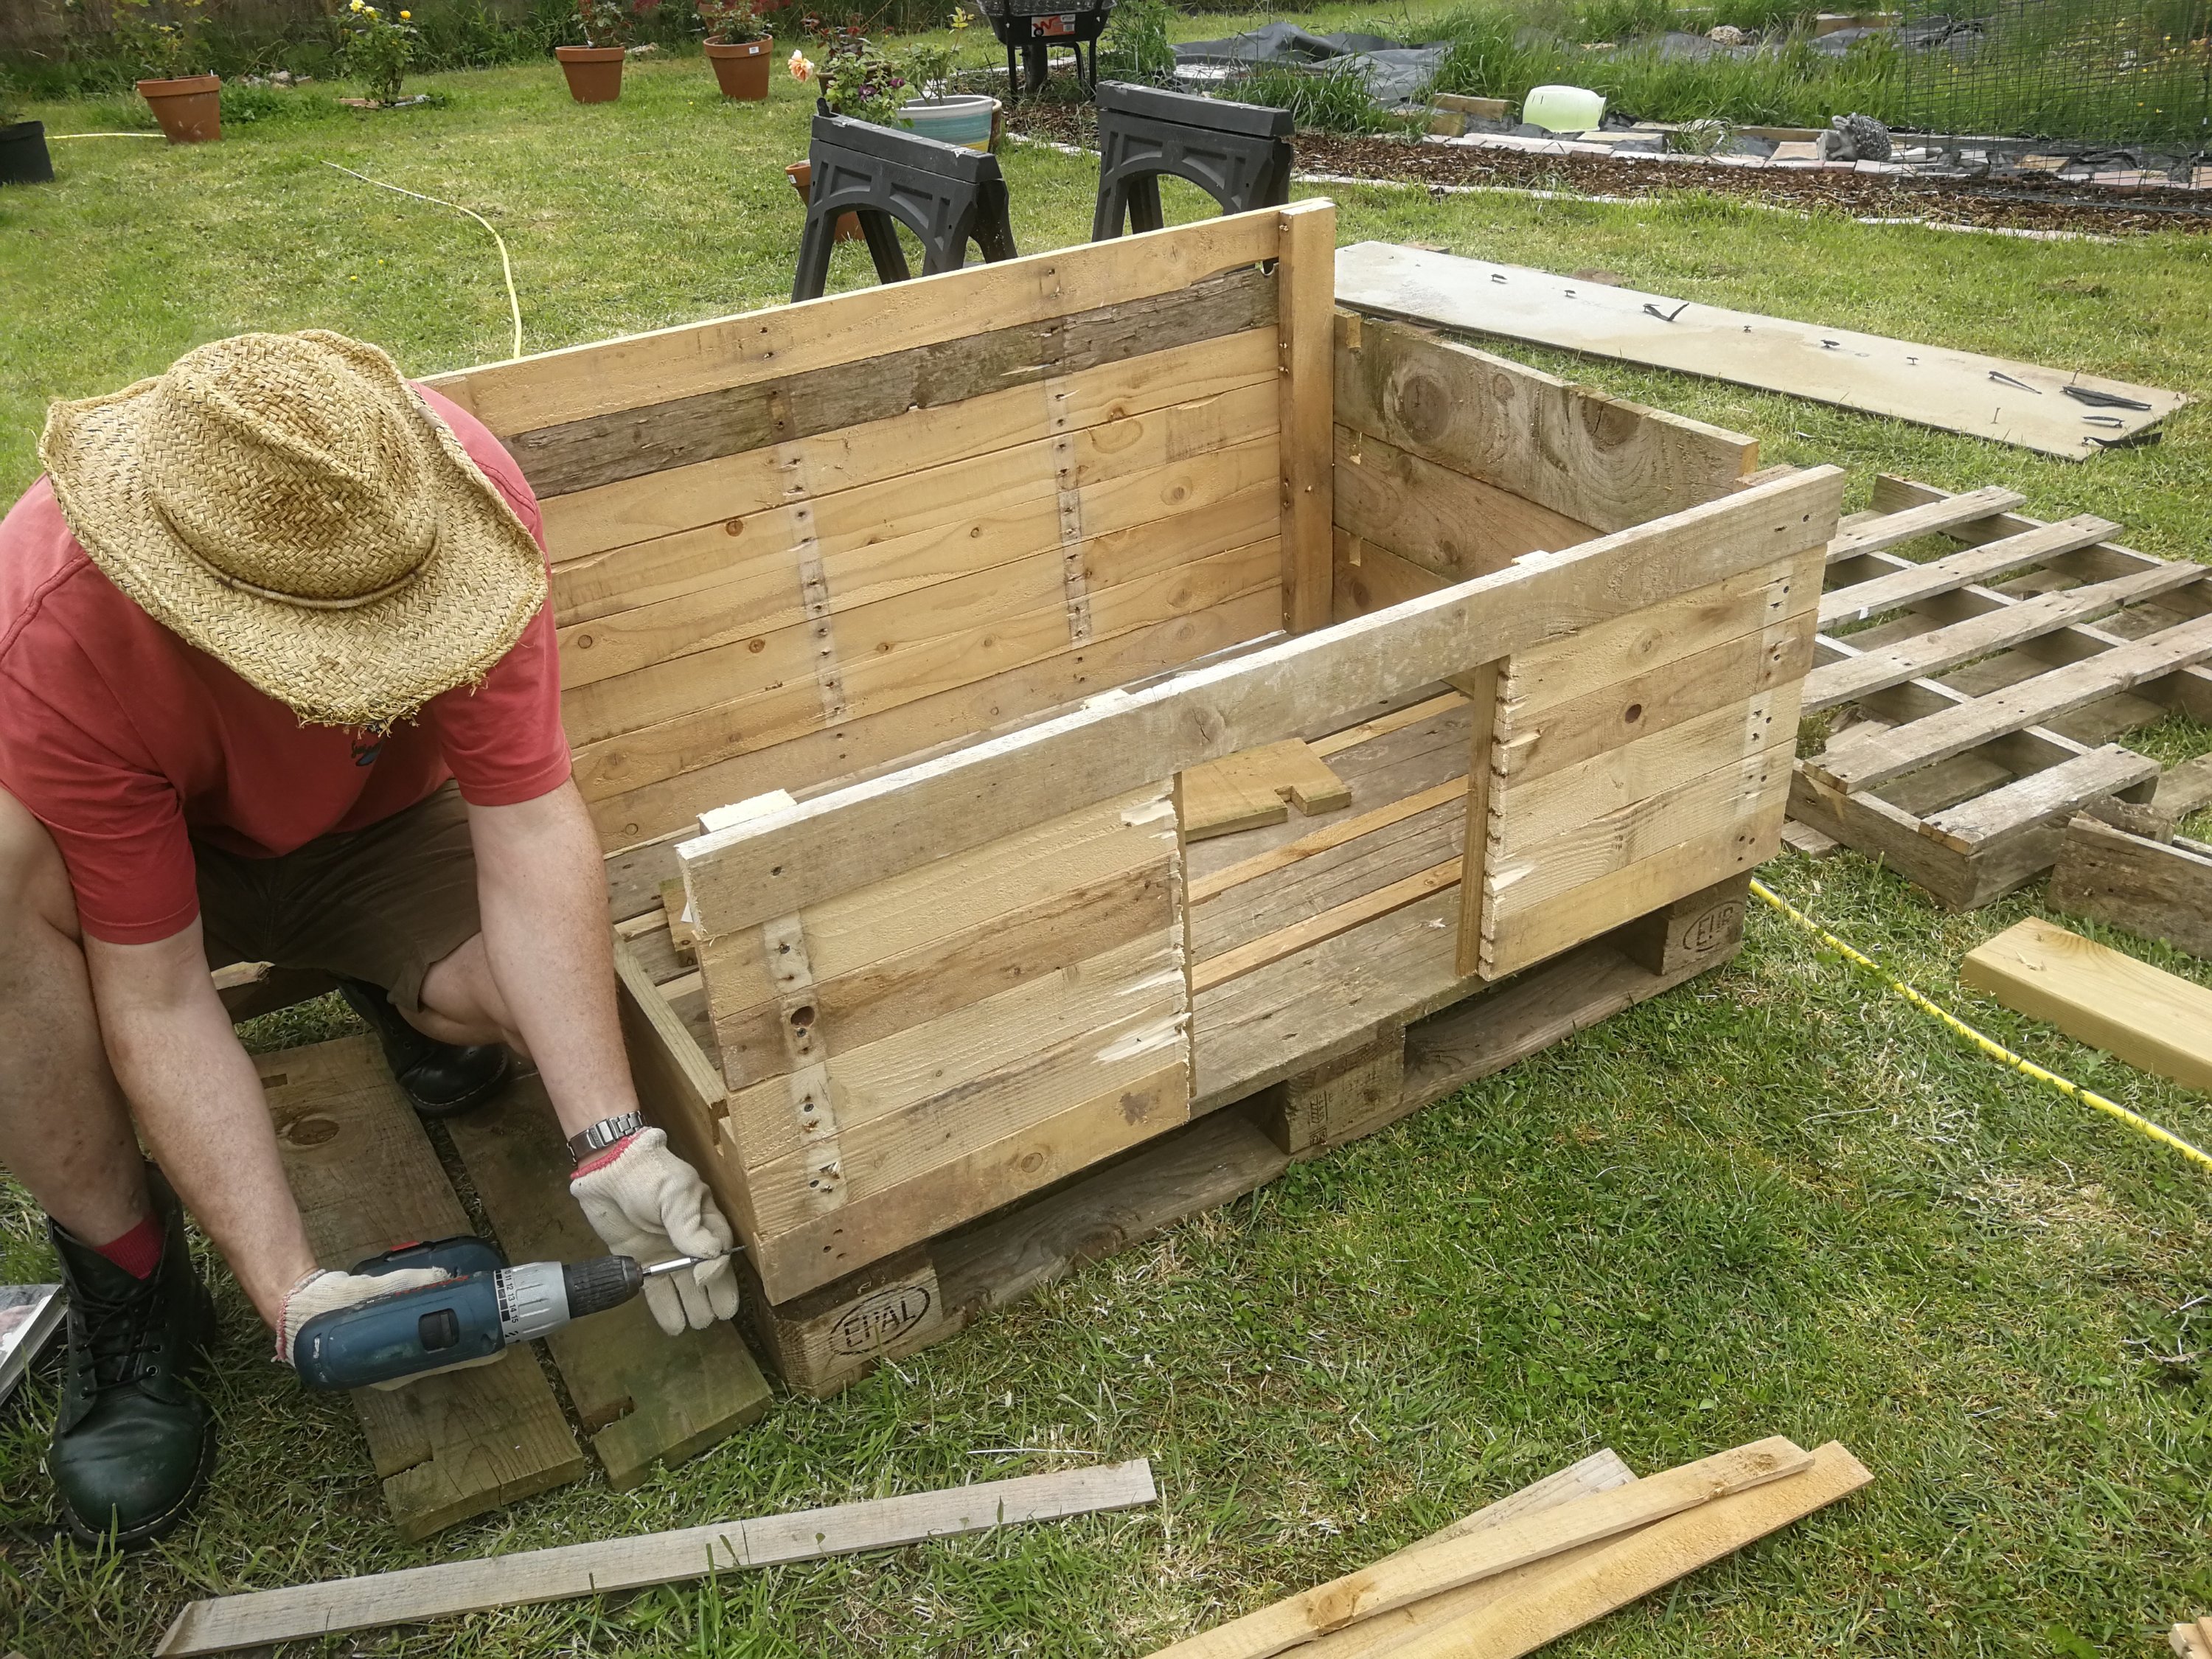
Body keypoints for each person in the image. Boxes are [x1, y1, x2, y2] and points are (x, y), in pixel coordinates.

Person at [0, 330, 740, 1547]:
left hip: (380, 831)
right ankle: (129, 1275)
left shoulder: (453, 498)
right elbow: (161, 996)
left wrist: (609, 1138)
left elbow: (529, 818)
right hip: (158, 859)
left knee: (520, 992)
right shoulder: (59, 621)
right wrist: (295, 1291)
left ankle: (391, 987)